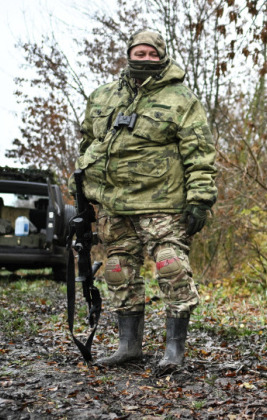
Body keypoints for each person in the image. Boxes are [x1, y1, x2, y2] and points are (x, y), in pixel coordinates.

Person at [75, 29, 218, 369]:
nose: (145, 59)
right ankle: (129, 346)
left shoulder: (181, 99)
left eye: (151, 54)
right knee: (117, 271)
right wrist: (82, 189)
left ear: (162, 56)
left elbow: (200, 152)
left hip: (163, 204)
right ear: (129, 55)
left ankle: (174, 351)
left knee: (171, 268)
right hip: (114, 205)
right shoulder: (103, 97)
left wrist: (200, 198)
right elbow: (87, 145)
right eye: (139, 54)